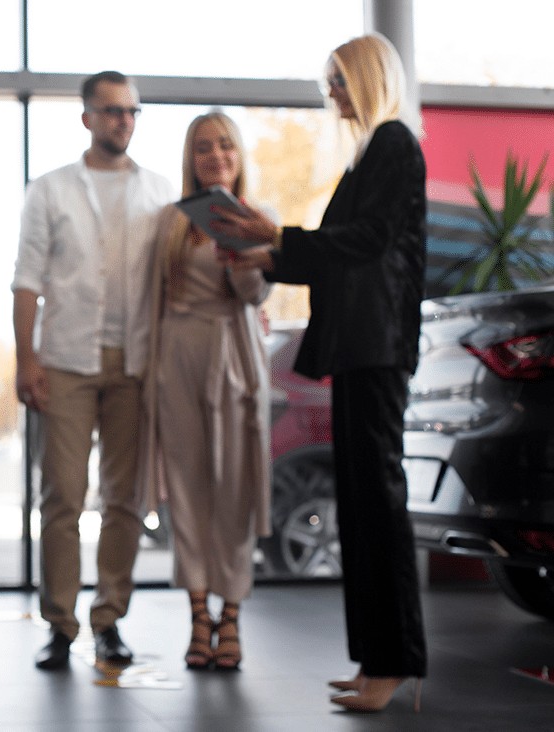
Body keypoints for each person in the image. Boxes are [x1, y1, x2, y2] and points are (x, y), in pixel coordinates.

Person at [217, 33, 428, 711]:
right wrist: (265, 255)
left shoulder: (394, 145)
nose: (329, 92)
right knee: (361, 509)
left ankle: (392, 664)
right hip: (357, 349)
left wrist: (273, 239)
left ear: (366, 78)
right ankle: (372, 661)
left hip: (379, 349)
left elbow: (365, 244)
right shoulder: (367, 157)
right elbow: (335, 254)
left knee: (379, 506)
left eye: (337, 79)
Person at [11, 71, 175, 670]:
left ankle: (109, 620)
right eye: (110, 111)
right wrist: (26, 358)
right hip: (65, 361)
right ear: (86, 118)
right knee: (62, 497)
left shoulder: (160, 192)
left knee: (126, 501)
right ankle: (60, 623)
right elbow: (27, 279)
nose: (123, 120)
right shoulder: (49, 190)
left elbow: (175, 279)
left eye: (131, 110)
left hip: (135, 364)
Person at [142, 111, 271, 671]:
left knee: (236, 494)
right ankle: (199, 616)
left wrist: (241, 257)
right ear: (190, 160)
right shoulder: (170, 221)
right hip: (178, 360)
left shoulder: (261, 220)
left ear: (238, 154)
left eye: (224, 145)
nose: (215, 155)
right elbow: (154, 299)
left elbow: (254, 297)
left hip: (235, 360)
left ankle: (232, 616)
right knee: (190, 493)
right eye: (202, 148)